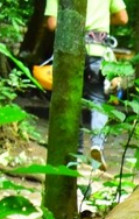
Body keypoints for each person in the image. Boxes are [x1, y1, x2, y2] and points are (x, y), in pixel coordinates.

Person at [45, 0, 129, 172]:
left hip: (70, 52)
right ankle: (97, 145)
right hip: (99, 52)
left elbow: (52, 24)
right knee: (98, 101)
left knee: (73, 104)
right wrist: (102, 22)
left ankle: (76, 155)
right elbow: (123, 18)